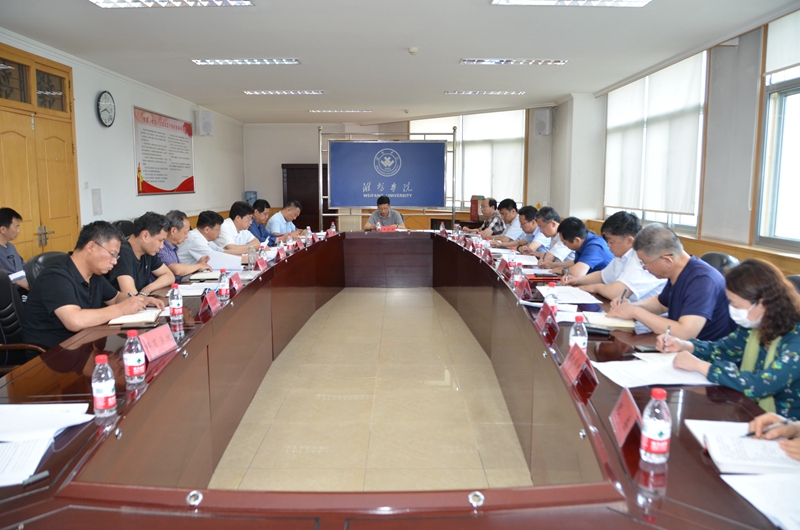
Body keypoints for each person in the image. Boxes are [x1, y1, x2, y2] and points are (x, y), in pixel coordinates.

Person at [659, 259, 800, 419]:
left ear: (762, 304)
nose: (731, 310)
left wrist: (700, 366)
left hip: (786, 424)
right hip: (750, 410)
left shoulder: (796, 339)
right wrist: (685, 345)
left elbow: (760, 385)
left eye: (736, 305)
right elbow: (723, 350)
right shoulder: (755, 325)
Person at [23, 221, 161, 350]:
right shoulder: (55, 277)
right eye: (112, 254)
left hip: (84, 345)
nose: (114, 262)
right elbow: (75, 321)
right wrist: (121, 309)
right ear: (91, 247)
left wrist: (139, 299)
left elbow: (116, 297)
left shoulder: (94, 275)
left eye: (116, 257)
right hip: (53, 355)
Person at [607, 223, 735, 340]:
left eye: (645, 262)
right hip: (677, 347)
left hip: (705, 353)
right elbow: (661, 304)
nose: (644, 268)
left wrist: (636, 312)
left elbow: (685, 333)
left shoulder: (702, 280)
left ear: (668, 260)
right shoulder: (679, 272)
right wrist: (631, 306)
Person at [565, 211, 665, 301]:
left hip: (645, 314)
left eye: (611, 241)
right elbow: (602, 276)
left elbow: (616, 293)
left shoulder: (642, 258)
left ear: (629, 241)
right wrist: (576, 280)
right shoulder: (622, 255)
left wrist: (595, 287)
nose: (608, 245)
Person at [107, 212, 175, 296]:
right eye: (160, 240)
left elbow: (169, 276)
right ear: (145, 236)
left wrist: (147, 289)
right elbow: (130, 293)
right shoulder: (123, 252)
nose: (162, 246)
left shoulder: (148, 252)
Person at [157, 210, 212, 283]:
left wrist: (196, 268)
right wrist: (198, 265)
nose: (187, 236)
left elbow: (179, 274)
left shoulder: (173, 247)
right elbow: (176, 270)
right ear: (173, 230)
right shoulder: (160, 247)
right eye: (185, 232)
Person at [549, 217, 614, 278]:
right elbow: (576, 262)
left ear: (577, 240)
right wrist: (553, 265)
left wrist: (562, 270)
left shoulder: (595, 246)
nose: (564, 245)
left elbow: (577, 273)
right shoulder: (585, 241)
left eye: (565, 243)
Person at [0, 207, 29, 292]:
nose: (18, 231)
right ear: (3, 229)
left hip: (22, 288)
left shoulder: (11, 246)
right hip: (8, 293)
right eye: (16, 227)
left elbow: (23, 267)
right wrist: (18, 282)